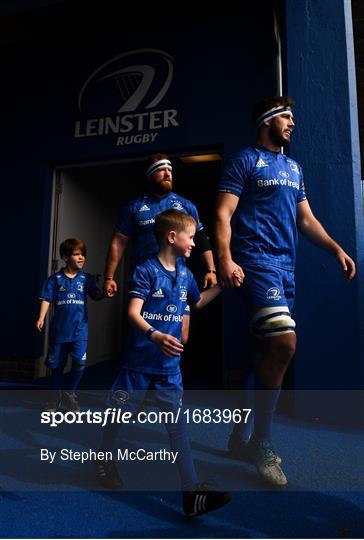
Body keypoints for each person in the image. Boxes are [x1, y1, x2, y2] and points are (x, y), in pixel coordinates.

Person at [215, 96, 356, 486]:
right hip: (254, 263)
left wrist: (336, 248)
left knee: (262, 350)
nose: (292, 124)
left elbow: (305, 219)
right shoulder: (245, 161)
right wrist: (225, 258)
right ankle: (263, 441)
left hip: (285, 270)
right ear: (267, 121)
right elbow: (223, 214)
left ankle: (238, 438)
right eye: (287, 117)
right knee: (285, 343)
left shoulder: (293, 167)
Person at [95, 209, 230, 517]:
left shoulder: (186, 274)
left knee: (177, 427)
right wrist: (154, 335)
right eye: (191, 238)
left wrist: (222, 286)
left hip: (170, 368)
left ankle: (190, 493)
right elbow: (132, 313)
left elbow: (195, 303)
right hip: (138, 365)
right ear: (173, 237)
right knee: (118, 417)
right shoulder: (145, 271)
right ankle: (103, 459)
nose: (195, 244)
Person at [103, 153, 218, 343]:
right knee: (143, 331)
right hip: (147, 278)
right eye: (161, 170)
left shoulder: (186, 206)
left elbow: (201, 239)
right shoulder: (134, 207)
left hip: (177, 279)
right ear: (150, 175)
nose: (167, 173)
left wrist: (211, 270)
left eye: (170, 170)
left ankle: (169, 371)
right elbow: (119, 241)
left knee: (181, 336)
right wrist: (109, 277)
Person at [36, 238, 103, 412]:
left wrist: (106, 292)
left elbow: (96, 295)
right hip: (59, 332)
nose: (81, 258)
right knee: (57, 365)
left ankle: (69, 393)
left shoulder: (86, 279)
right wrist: (41, 317)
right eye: (76, 254)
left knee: (79, 363)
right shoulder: (55, 279)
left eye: (83, 254)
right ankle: (54, 398)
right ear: (65, 257)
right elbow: (46, 299)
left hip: (80, 331)